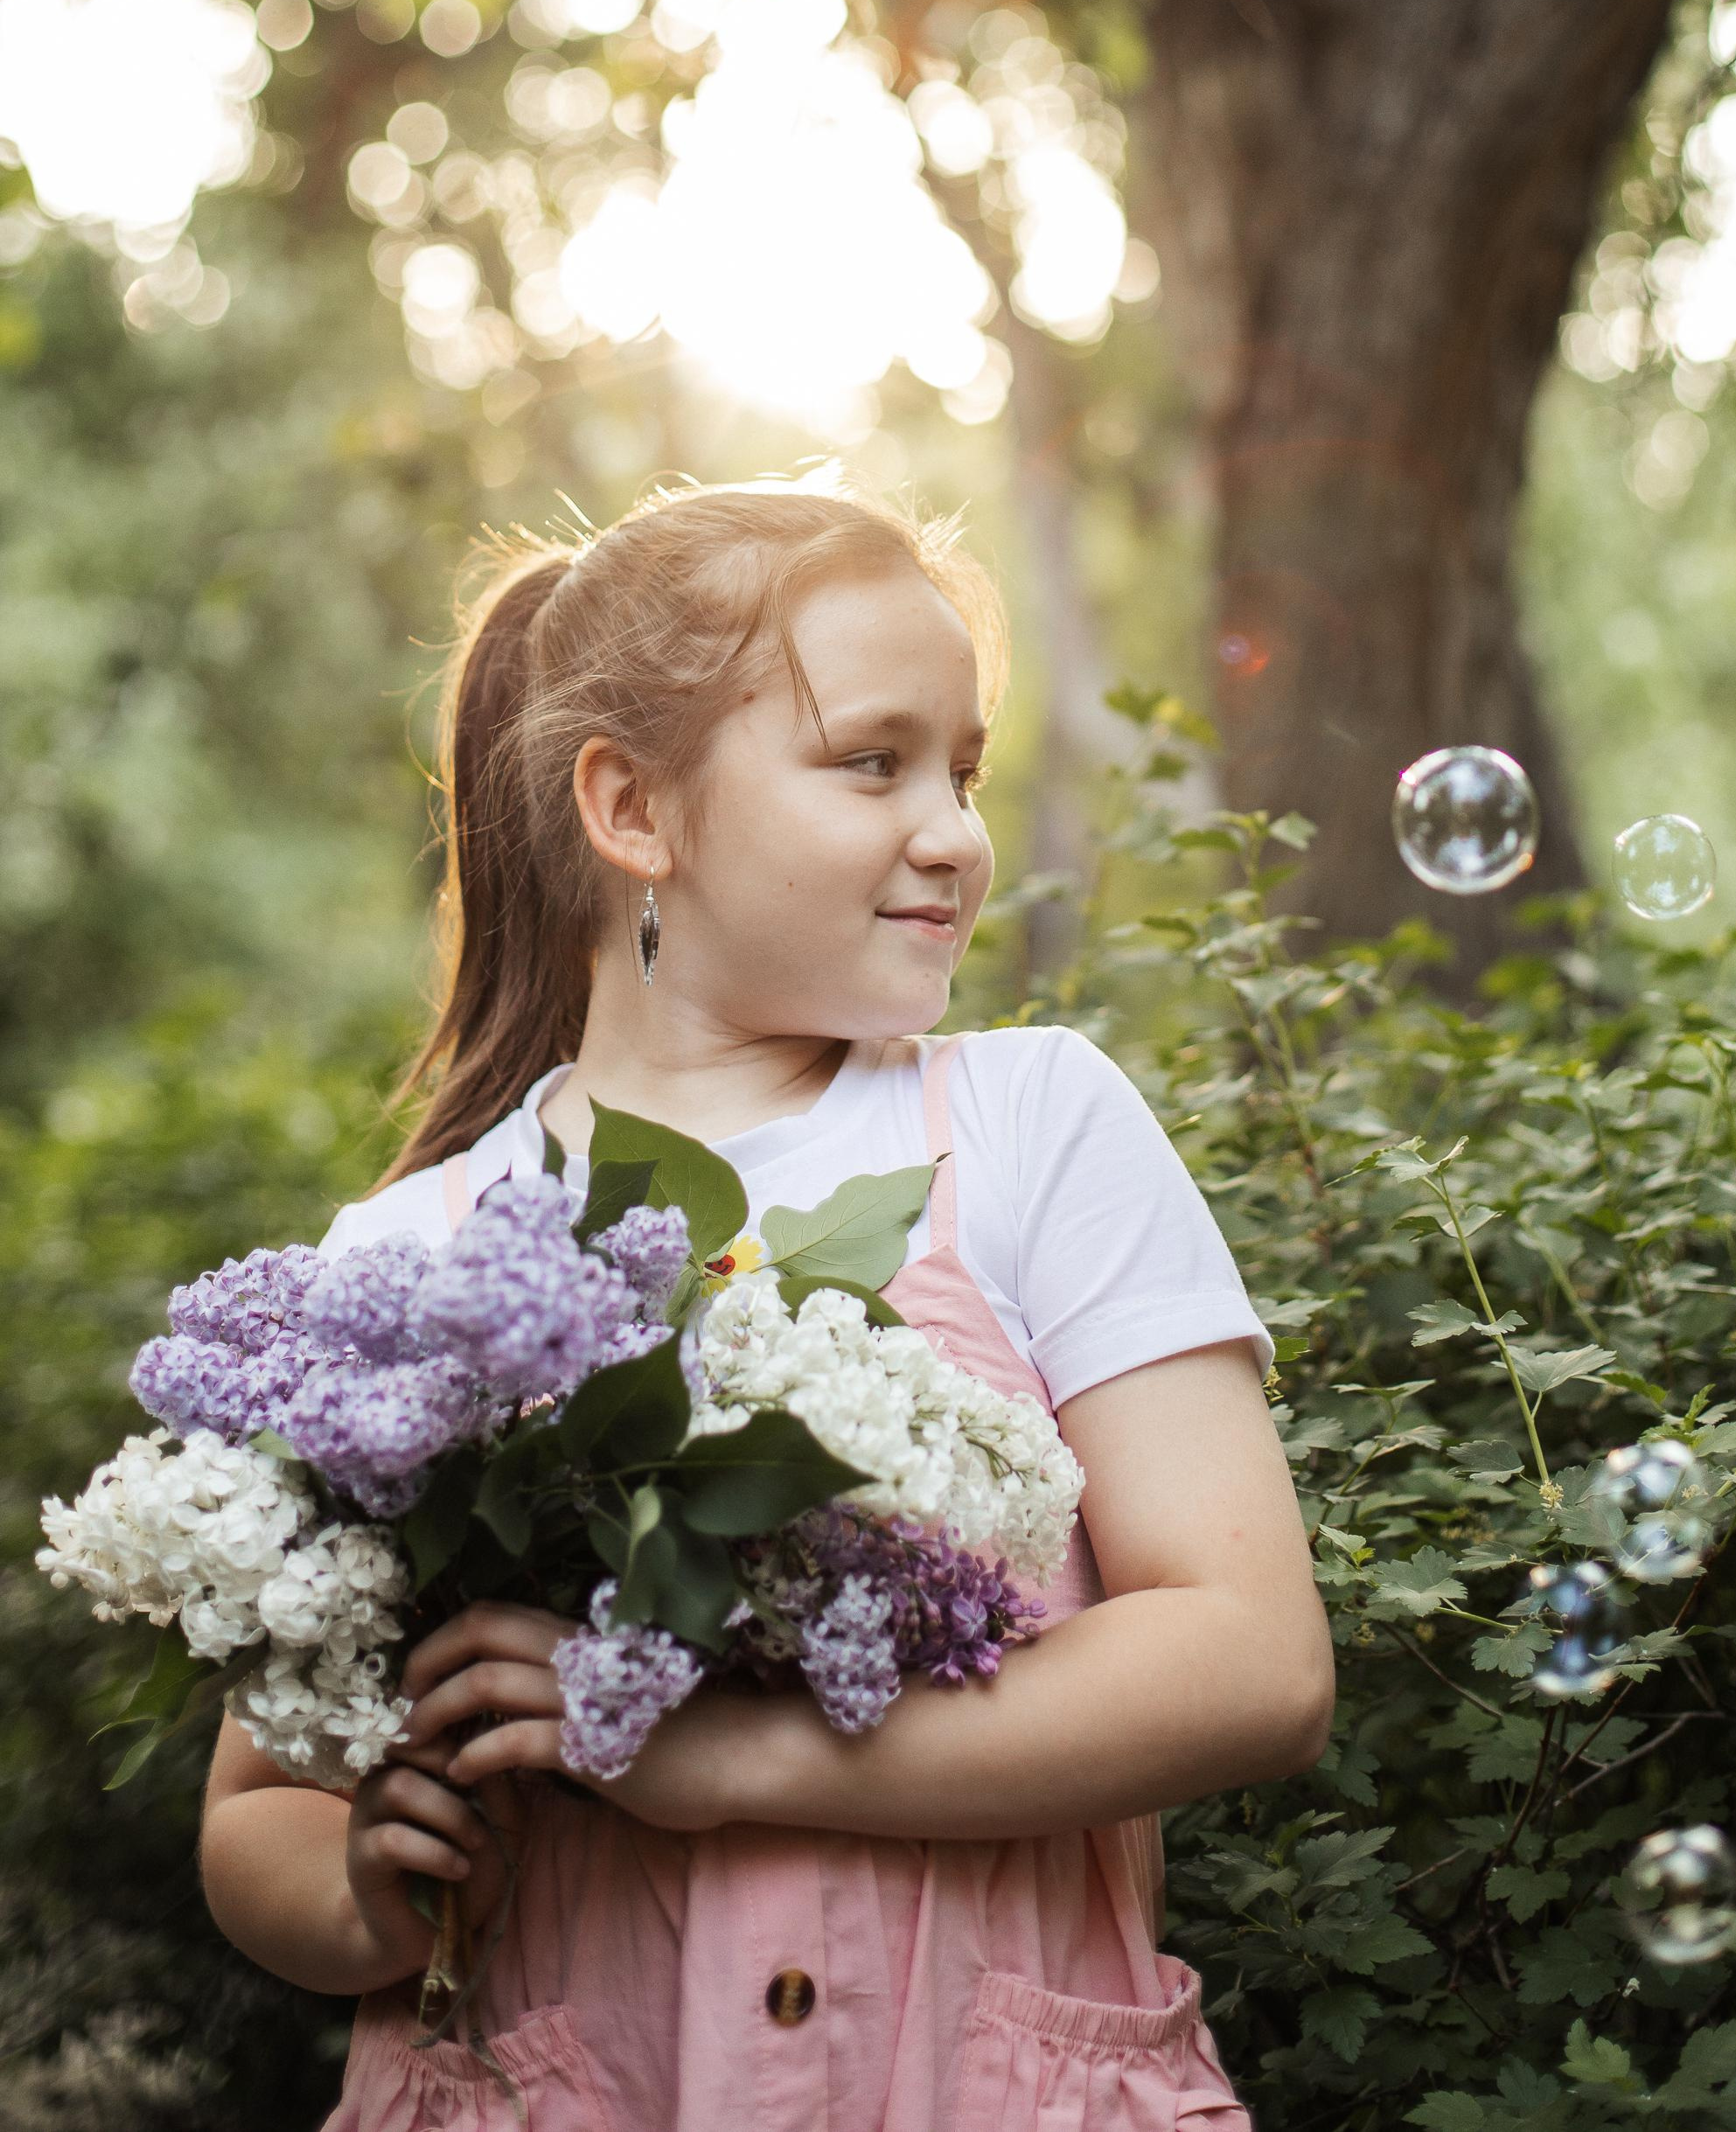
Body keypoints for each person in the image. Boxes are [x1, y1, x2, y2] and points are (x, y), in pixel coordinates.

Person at [199, 479, 1334, 2129]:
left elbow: (1252, 1660)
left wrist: (727, 1766)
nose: (951, 828)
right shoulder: (406, 1254)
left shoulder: (1027, 1125)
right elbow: (254, 1815)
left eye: (964, 768)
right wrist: (370, 1886)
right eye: (872, 761)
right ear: (634, 810)